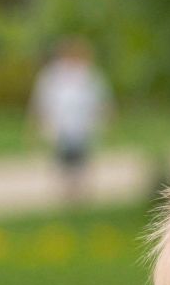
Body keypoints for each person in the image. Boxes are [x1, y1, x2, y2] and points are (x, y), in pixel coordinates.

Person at [31, 38, 114, 205]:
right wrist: (37, 124)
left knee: (81, 159)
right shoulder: (52, 76)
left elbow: (102, 100)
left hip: (83, 126)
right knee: (63, 160)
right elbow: (42, 101)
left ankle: (80, 193)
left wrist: (106, 119)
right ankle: (66, 193)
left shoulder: (89, 75)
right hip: (61, 126)